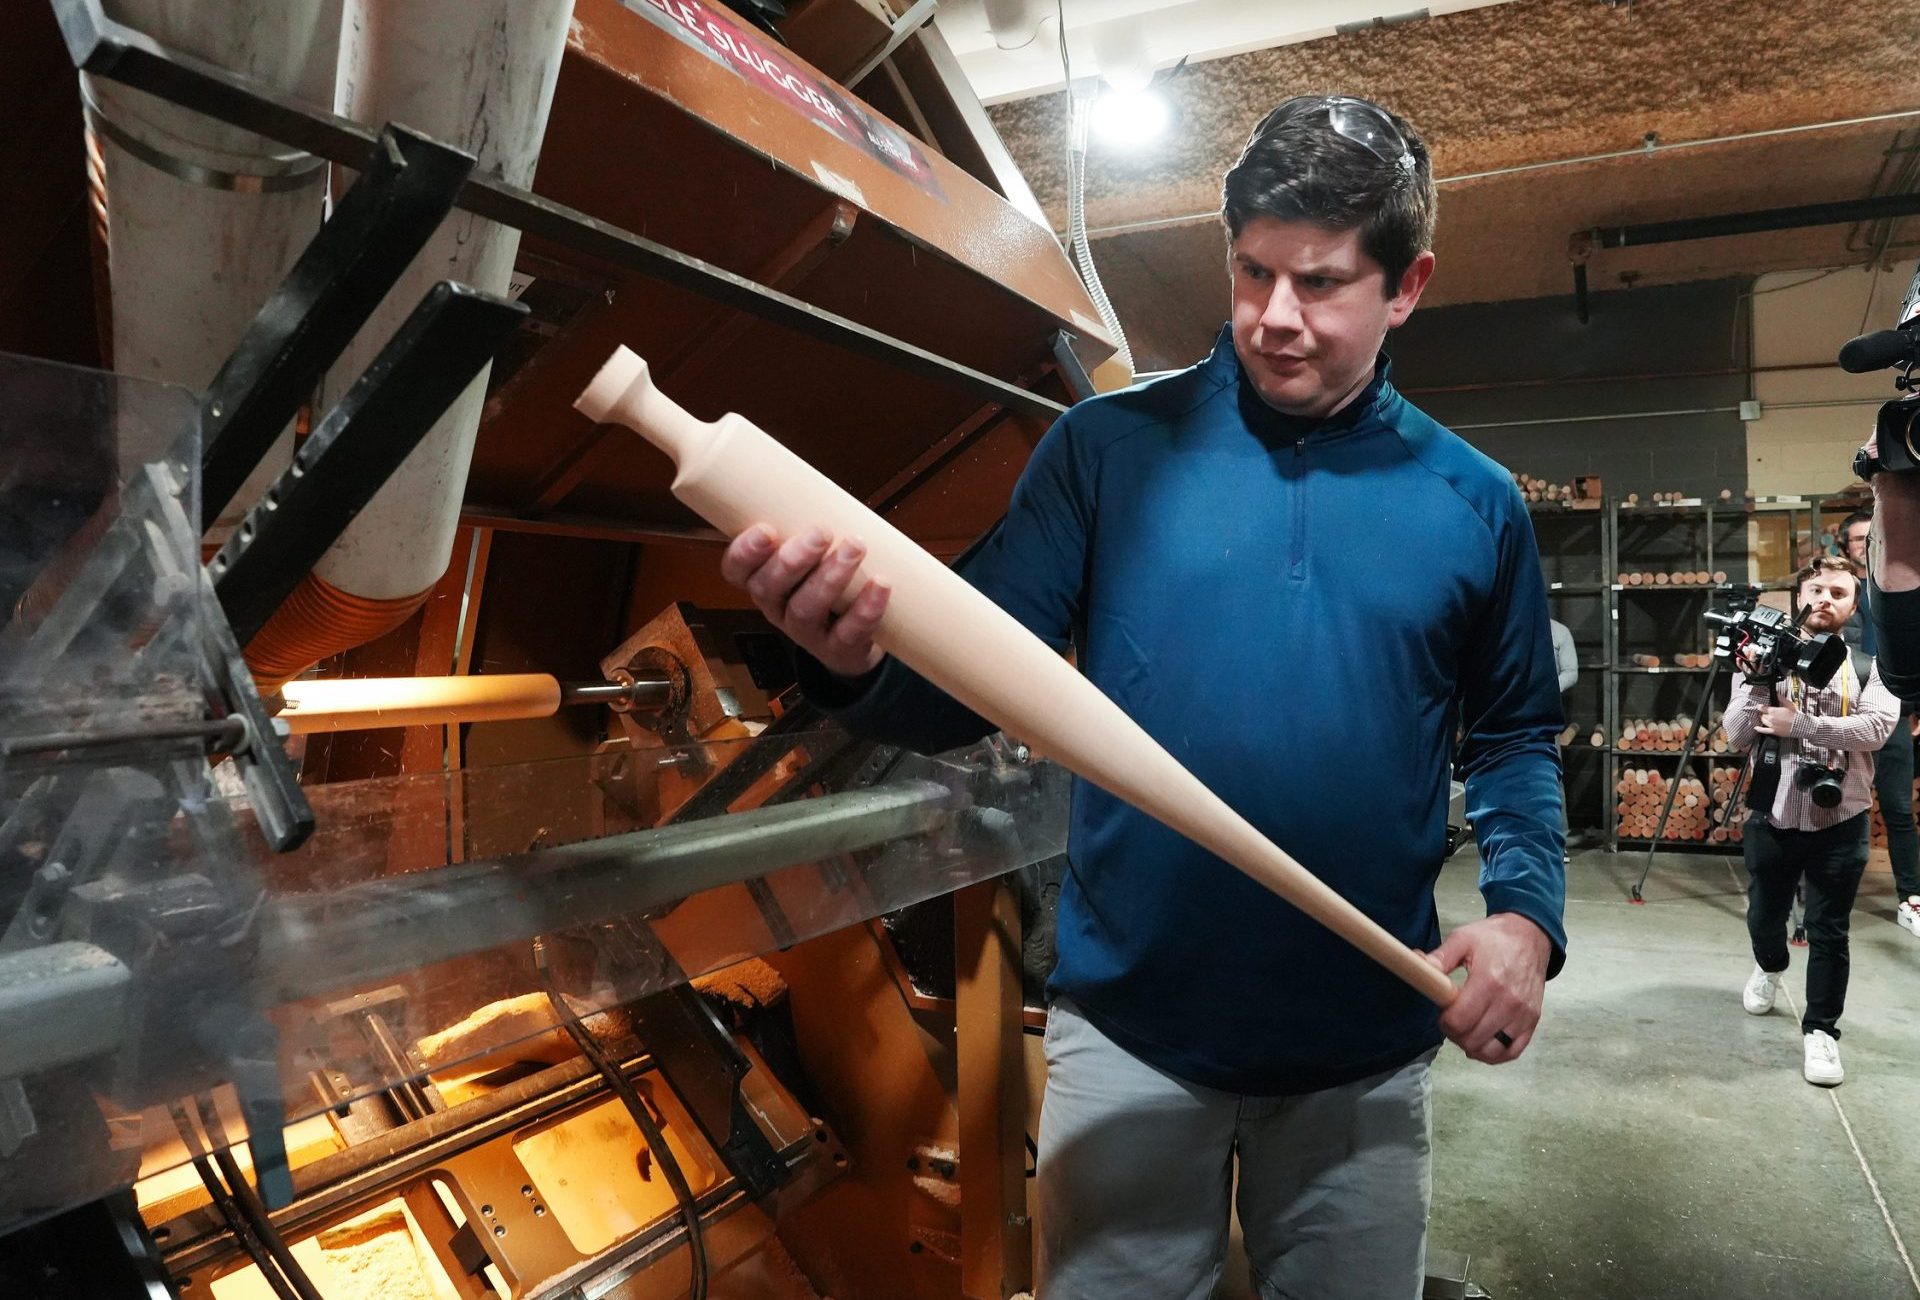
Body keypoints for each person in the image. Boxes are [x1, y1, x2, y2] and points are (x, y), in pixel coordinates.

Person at [721, 95, 1567, 1298]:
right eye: (1252, 271)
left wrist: (1527, 916)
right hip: (1130, 1033)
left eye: (1320, 283)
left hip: (1364, 1052)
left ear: (1407, 285)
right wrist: (847, 658)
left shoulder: (1472, 503)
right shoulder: (1109, 448)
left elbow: (1518, 735)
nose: (1276, 317)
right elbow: (967, 683)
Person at [1723, 557, 1896, 1087]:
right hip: (1772, 811)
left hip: (1842, 818)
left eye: (1838, 593)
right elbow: (1734, 734)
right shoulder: (1762, 658)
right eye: (1815, 589)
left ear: (1853, 604)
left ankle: (1821, 1030)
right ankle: (1770, 966)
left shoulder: (1874, 663)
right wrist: (1755, 682)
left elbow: (1876, 728)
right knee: (1763, 919)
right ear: (1799, 596)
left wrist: (1801, 724)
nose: (1824, 599)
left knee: (1829, 931)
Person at [1839, 508, 1920, 937]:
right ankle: (1823, 892)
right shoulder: (1836, 593)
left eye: (1871, 535)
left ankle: (1911, 898)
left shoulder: (1902, 589)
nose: (1865, 543)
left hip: (1893, 714)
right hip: (1846, 718)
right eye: (1857, 539)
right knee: (1833, 807)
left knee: (1900, 811)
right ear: (1846, 547)